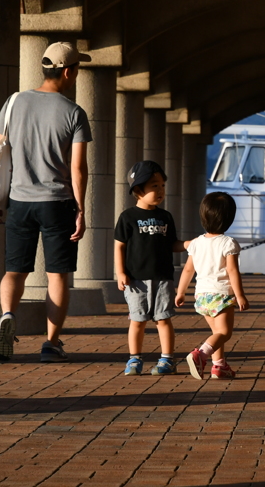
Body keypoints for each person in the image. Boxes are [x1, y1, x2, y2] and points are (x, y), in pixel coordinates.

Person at [0, 41, 92, 363]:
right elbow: (77, 168)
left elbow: (0, 149)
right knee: (57, 275)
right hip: (57, 202)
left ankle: (8, 314)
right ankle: (51, 342)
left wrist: (0, 194)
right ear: (67, 71)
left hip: (19, 200)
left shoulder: (14, 102)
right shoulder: (74, 113)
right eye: (76, 70)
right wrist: (81, 208)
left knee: (14, 271)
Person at [115, 161, 189, 376]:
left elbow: (172, 244)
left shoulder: (165, 217)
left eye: (162, 186)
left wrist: (188, 244)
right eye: (154, 186)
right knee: (137, 320)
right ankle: (134, 359)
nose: (160, 191)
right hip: (136, 279)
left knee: (163, 319)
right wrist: (120, 273)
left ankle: (167, 359)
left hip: (163, 277)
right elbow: (119, 246)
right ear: (138, 190)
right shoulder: (127, 217)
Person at [177, 192, 250, 380]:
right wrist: (240, 295)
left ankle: (219, 366)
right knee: (224, 333)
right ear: (229, 218)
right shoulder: (228, 243)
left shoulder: (196, 243)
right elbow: (233, 271)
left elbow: (187, 271)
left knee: (216, 333)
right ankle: (200, 355)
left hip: (201, 297)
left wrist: (181, 292)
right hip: (221, 295)